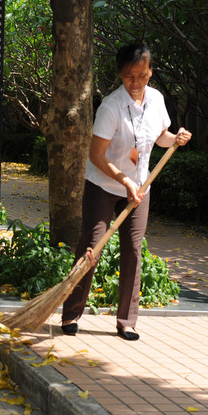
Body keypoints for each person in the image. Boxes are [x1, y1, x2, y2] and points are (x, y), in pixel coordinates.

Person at [60, 43, 192, 341]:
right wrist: (124, 181)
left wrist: (176, 138)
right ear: (121, 74)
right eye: (130, 76)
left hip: (140, 187)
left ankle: (127, 320)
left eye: (142, 76)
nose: (136, 82)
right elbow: (96, 155)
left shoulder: (156, 99)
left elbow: (160, 136)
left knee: (133, 250)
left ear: (150, 73)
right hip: (104, 186)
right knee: (91, 247)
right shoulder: (111, 107)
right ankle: (71, 313)